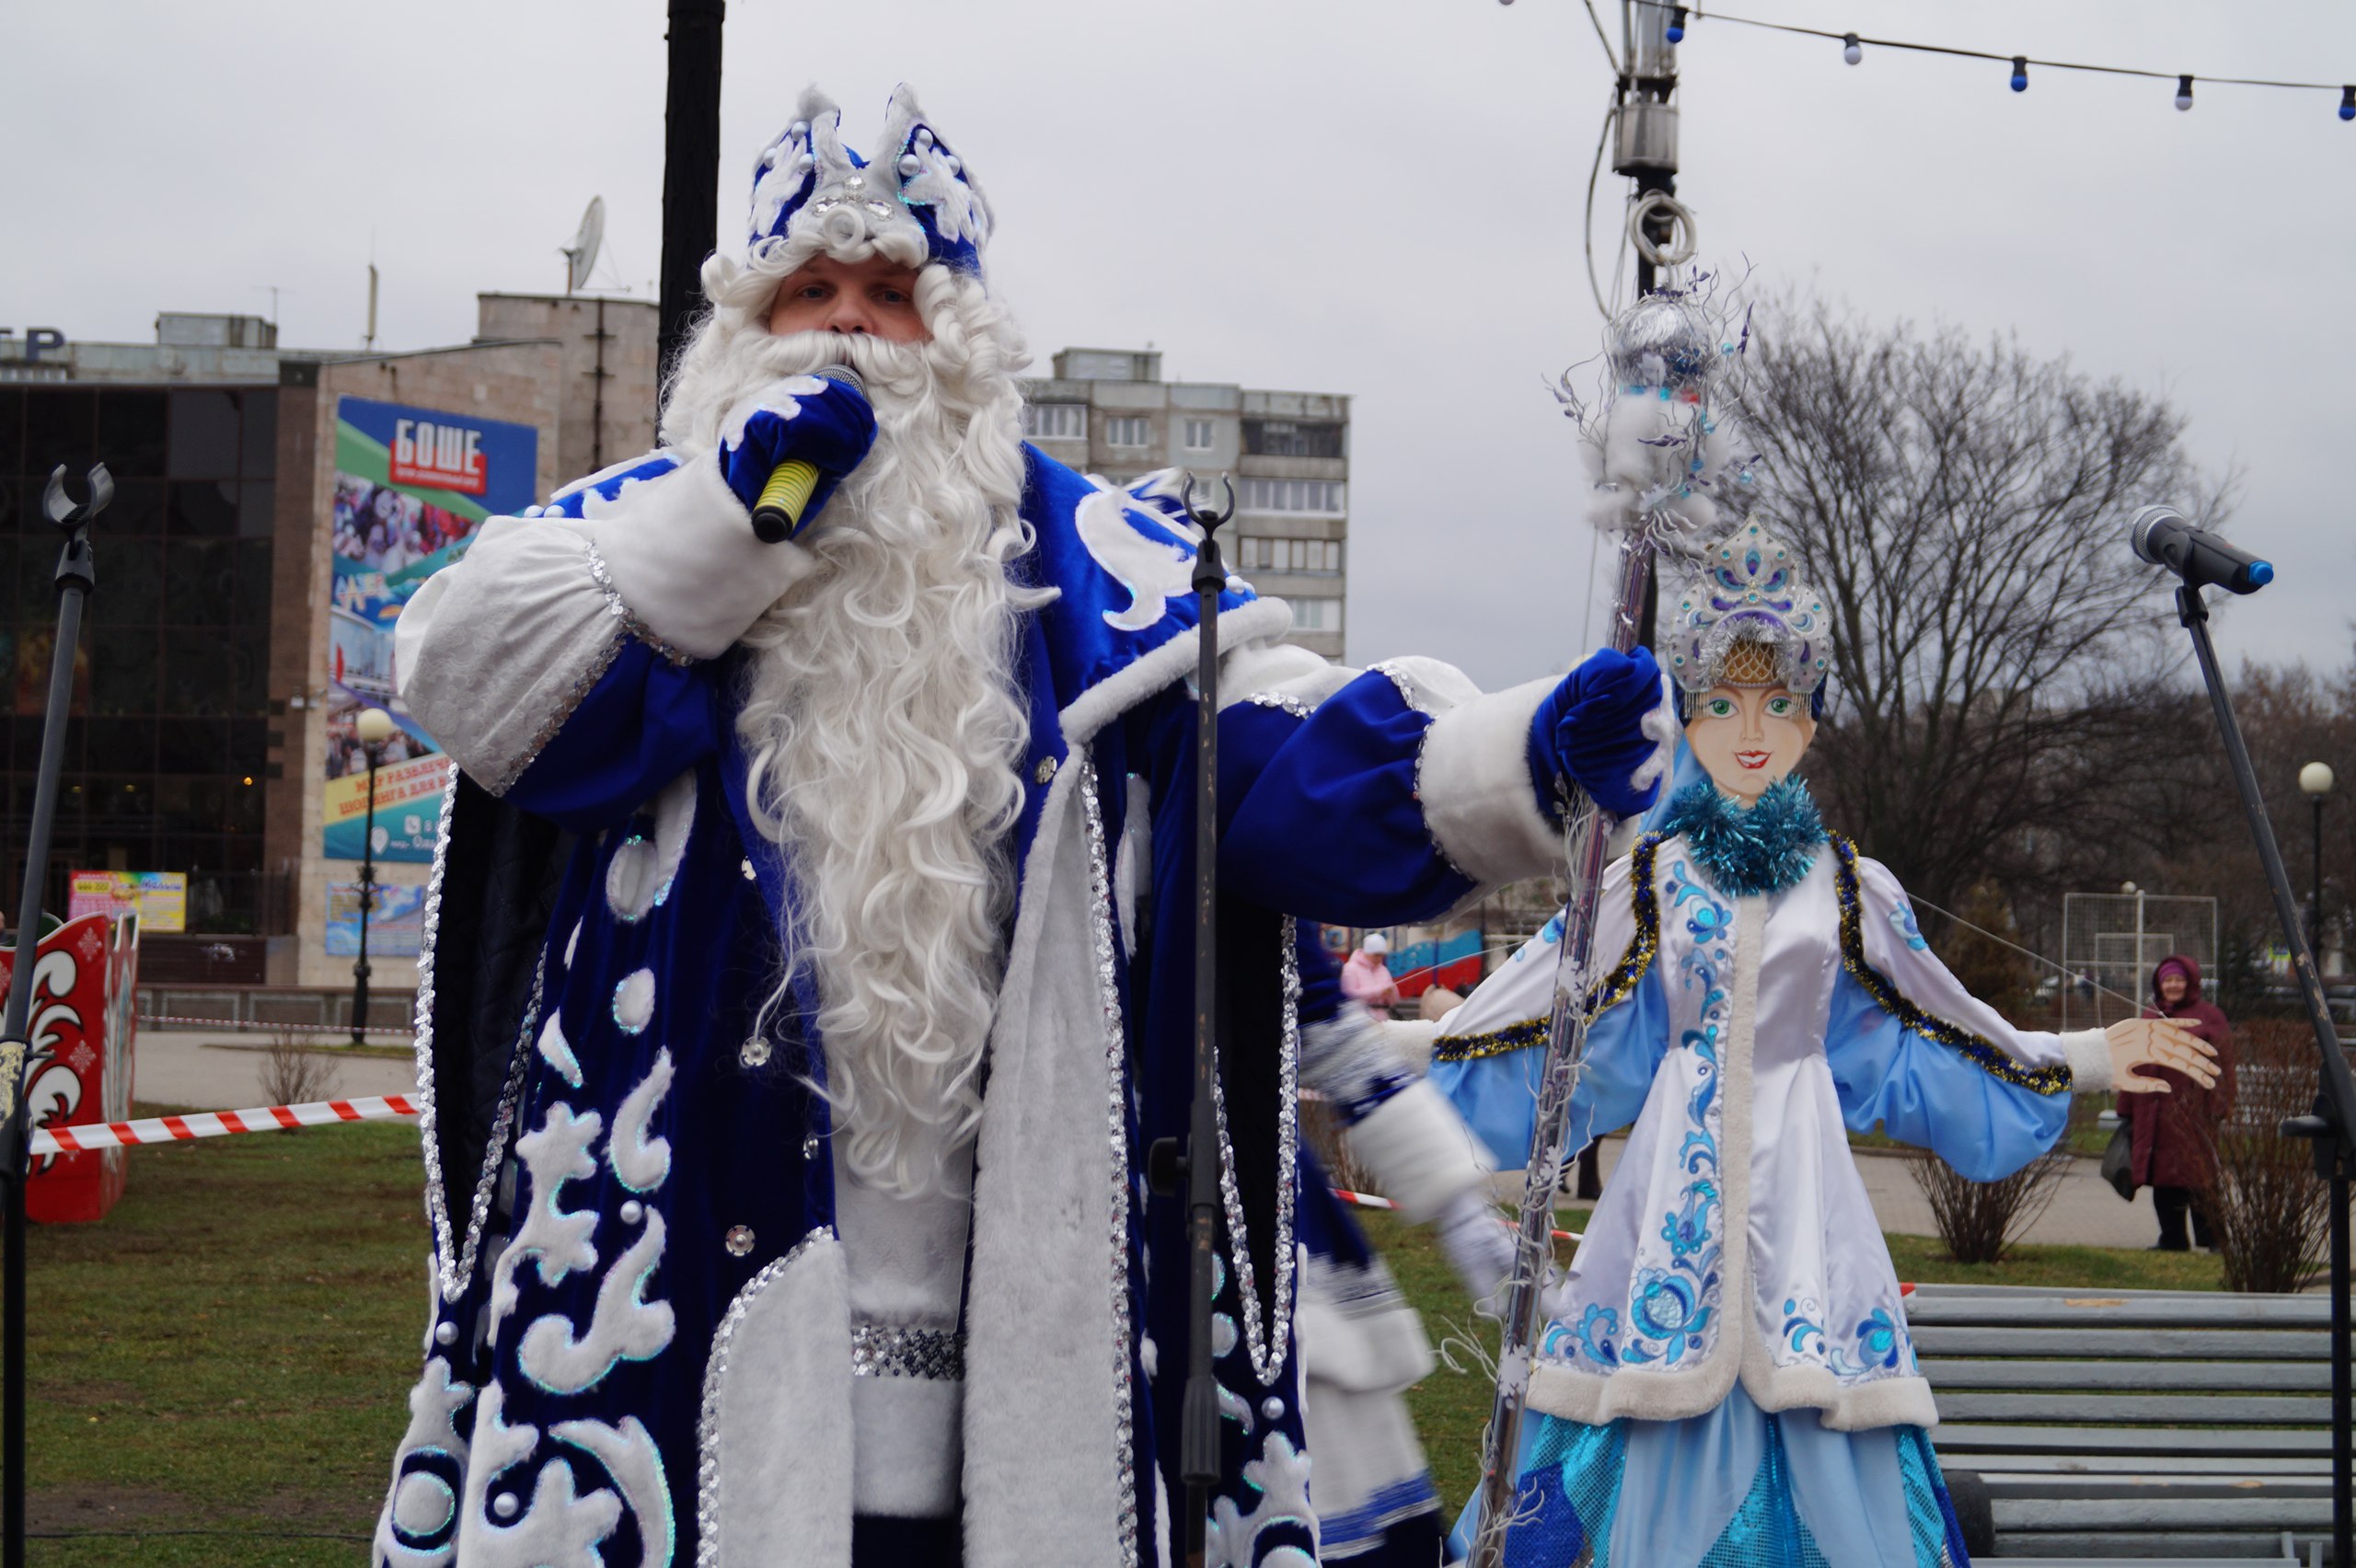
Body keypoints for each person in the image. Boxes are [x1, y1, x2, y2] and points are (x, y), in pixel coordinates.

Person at [370, 84, 1673, 1568]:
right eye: (809, 296)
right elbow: (464, 672)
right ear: (743, 336)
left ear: (967, 345)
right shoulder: (630, 554)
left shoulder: (1105, 592)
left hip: (1040, 1431)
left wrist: (1515, 755)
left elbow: (1289, 759)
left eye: (892, 298)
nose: (850, 331)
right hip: (664, 1415)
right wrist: (734, 522)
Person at [1427, 519, 2215, 1567]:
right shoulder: (1647, 878)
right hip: (1667, 1201)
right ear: (1686, 717)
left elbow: (1929, 1027)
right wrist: (1385, 1059)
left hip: (1807, 1198)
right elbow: (1540, 1013)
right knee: (1624, 1409)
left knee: (1826, 1416)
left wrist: (2077, 1055)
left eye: (1777, 704)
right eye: (1721, 703)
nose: (1751, 730)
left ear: (1809, 719)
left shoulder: (1848, 888)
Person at [2126, 954, 2235, 1251]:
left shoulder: (2209, 1016)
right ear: (2159, 985)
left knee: (2199, 1179)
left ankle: (2214, 1240)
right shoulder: (2150, 1015)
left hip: (2194, 1112)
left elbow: (2223, 1063)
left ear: (2190, 983)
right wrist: (2126, 1107)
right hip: (2154, 1114)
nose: (2172, 985)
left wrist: (2219, 1105)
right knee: (2163, 1180)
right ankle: (2172, 1239)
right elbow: (2132, 1061)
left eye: (2178, 980)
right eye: (2167, 980)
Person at [1342, 931, 1403, 1018]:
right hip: (1358, 1019)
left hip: (1382, 1020)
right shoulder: (1350, 968)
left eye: (1382, 955)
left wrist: (1392, 991)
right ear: (1366, 952)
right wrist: (1379, 990)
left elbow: (1393, 1002)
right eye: (1376, 955)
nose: (1379, 958)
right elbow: (1349, 995)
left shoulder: (1383, 970)